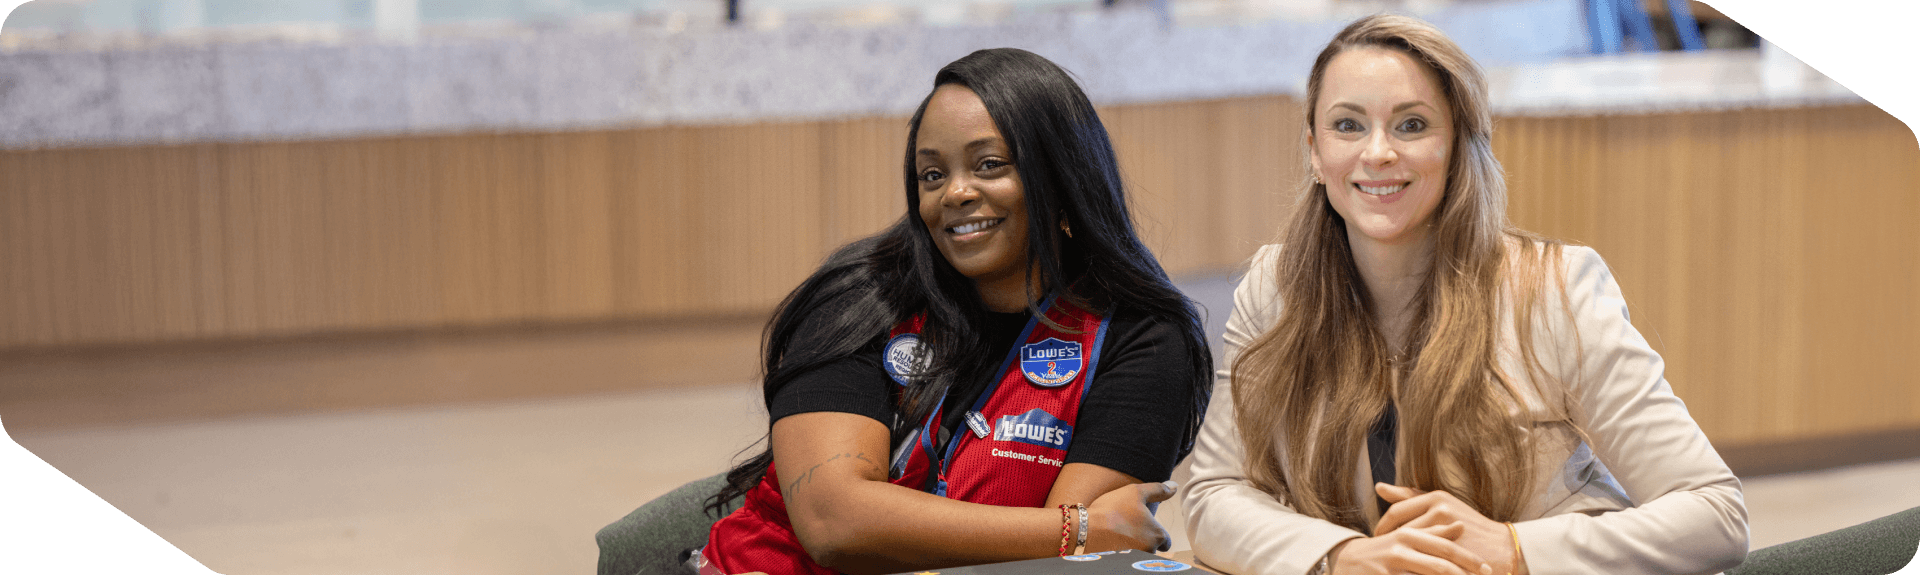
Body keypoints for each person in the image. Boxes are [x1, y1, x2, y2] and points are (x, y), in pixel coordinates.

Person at [1180, 14, 1748, 575]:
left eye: (1411, 126)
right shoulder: (1276, 287)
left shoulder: (1556, 287)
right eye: (1348, 125)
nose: (1377, 152)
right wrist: (1341, 556)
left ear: (1457, 145)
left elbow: (1714, 514)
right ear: (1314, 151)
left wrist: (1514, 548)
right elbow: (1214, 494)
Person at [694, 48, 1214, 575]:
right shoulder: (863, 296)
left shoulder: (1139, 338)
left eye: (989, 165)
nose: (956, 192)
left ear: (1061, 177)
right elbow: (834, 523)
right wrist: (1072, 529)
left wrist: (1075, 538)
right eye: (932, 174)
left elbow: (1063, 568)